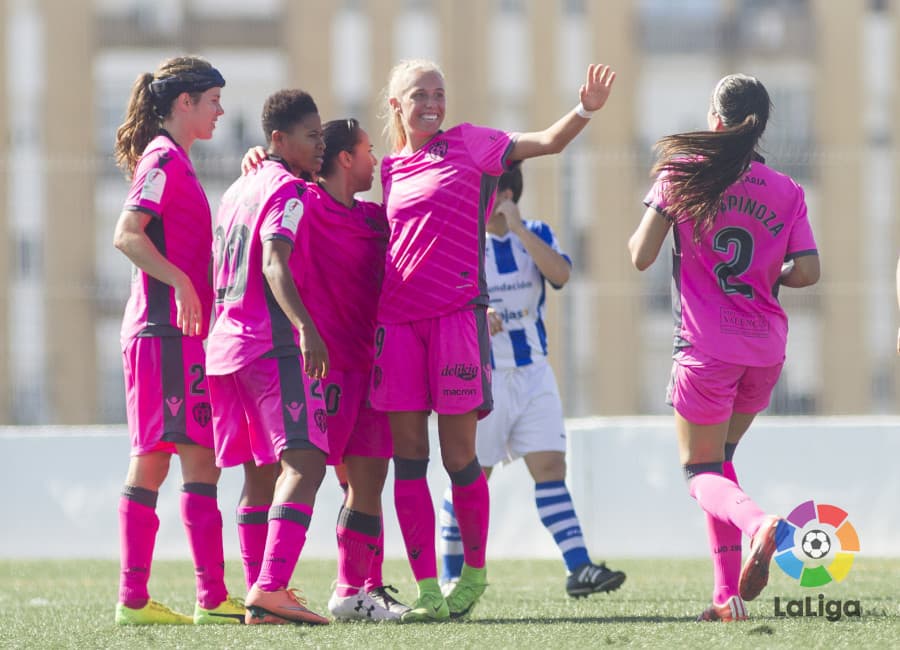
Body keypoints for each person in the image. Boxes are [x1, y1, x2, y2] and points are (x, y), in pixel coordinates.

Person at [373, 59, 616, 622]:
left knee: (461, 459)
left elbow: (548, 142)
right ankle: (429, 589)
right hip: (399, 326)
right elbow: (336, 192)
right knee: (409, 460)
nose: (433, 103)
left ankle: (472, 577)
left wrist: (584, 109)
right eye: (420, 95)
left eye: (440, 92)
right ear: (396, 106)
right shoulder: (387, 169)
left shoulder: (471, 143)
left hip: (456, 322)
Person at [628, 74, 820, 622]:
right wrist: (770, 270)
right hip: (766, 350)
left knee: (700, 473)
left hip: (707, 349)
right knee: (721, 464)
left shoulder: (684, 172)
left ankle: (759, 523)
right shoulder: (786, 188)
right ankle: (725, 599)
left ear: (715, 118)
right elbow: (808, 270)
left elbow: (640, 256)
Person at [438, 163, 626, 598]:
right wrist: (476, 314)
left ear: (508, 192)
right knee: (470, 477)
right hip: (481, 379)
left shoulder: (536, 232)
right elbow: (443, 300)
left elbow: (561, 274)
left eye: (495, 189)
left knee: (550, 469)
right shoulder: (462, 242)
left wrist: (520, 229)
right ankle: (449, 575)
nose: (488, 198)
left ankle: (578, 568)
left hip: (534, 373)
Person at [112, 55, 244, 625]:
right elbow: (126, 234)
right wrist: (183, 282)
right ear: (184, 102)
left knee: (189, 461)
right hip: (164, 332)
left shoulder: (178, 161)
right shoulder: (163, 160)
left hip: (177, 335)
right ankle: (191, 599)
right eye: (213, 100)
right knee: (173, 461)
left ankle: (157, 599)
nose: (220, 110)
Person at [206, 88, 330, 626]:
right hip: (269, 341)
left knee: (259, 473)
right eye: (312, 136)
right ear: (279, 139)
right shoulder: (286, 189)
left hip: (225, 346)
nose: (321, 146)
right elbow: (275, 263)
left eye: (323, 135)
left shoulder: (237, 188)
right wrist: (306, 328)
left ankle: (262, 598)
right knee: (305, 461)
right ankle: (272, 587)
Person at [306, 118, 411, 621]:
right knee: (305, 479)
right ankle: (264, 588)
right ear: (345, 158)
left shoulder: (374, 217)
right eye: (369, 150)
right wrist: (255, 159)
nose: (376, 159)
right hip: (322, 371)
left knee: (368, 481)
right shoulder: (302, 203)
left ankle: (359, 590)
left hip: (374, 369)